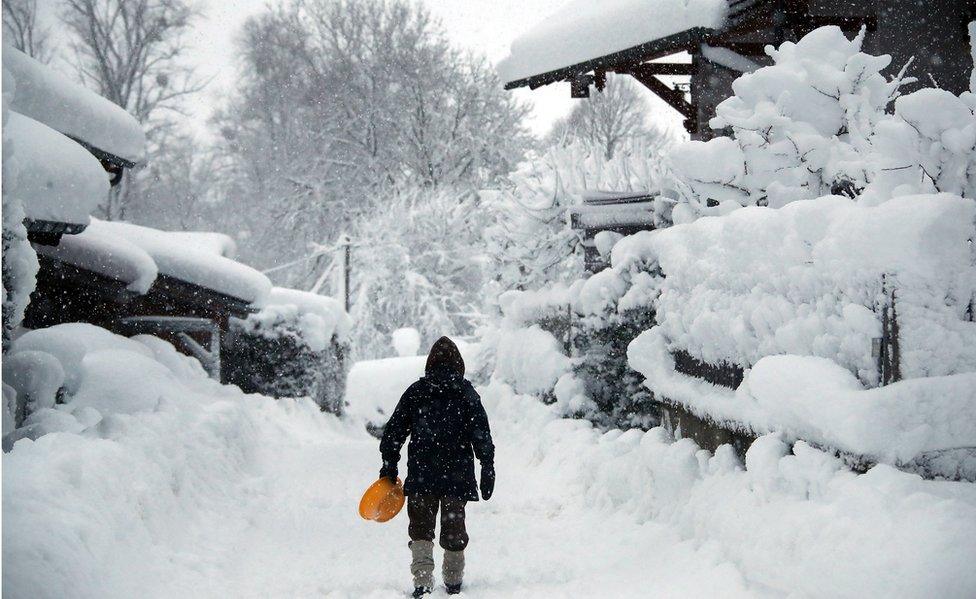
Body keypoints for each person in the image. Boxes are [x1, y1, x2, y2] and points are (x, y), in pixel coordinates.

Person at [379, 336, 495, 597]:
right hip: (457, 474)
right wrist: (487, 464)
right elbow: (481, 432)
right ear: (459, 365)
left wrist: (389, 464)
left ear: (429, 364)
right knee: (454, 527)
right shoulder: (466, 393)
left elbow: (395, 431)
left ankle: (422, 580)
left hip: (423, 474)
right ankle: (453, 582)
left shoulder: (416, 392)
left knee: (421, 527)